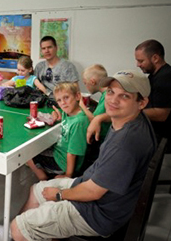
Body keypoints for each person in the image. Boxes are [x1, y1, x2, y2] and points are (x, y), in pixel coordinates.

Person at [10, 69, 156, 241]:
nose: (113, 100)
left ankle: (24, 231)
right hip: (98, 191)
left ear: (142, 102)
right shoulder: (133, 120)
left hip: (98, 213)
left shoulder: (125, 145)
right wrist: (98, 118)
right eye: (110, 92)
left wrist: (59, 195)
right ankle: (41, 231)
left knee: (17, 227)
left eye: (124, 96)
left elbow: (93, 192)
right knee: (36, 190)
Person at [27, 82, 89, 180]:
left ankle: (43, 179)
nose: (63, 103)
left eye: (66, 97)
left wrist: (67, 176)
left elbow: (72, 153)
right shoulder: (68, 112)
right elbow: (59, 113)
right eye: (59, 100)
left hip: (62, 163)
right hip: (59, 153)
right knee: (35, 148)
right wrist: (55, 113)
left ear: (77, 96)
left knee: (27, 155)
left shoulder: (79, 122)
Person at [135, 39, 171, 148]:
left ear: (155, 58)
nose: (137, 65)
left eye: (141, 61)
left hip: (163, 137)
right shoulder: (155, 75)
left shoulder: (166, 78)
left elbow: (161, 114)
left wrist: (131, 112)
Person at [80, 64, 111, 143]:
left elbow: (94, 120)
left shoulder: (107, 96)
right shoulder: (107, 92)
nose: (85, 86)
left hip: (103, 139)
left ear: (92, 82)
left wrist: (81, 105)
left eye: (85, 83)